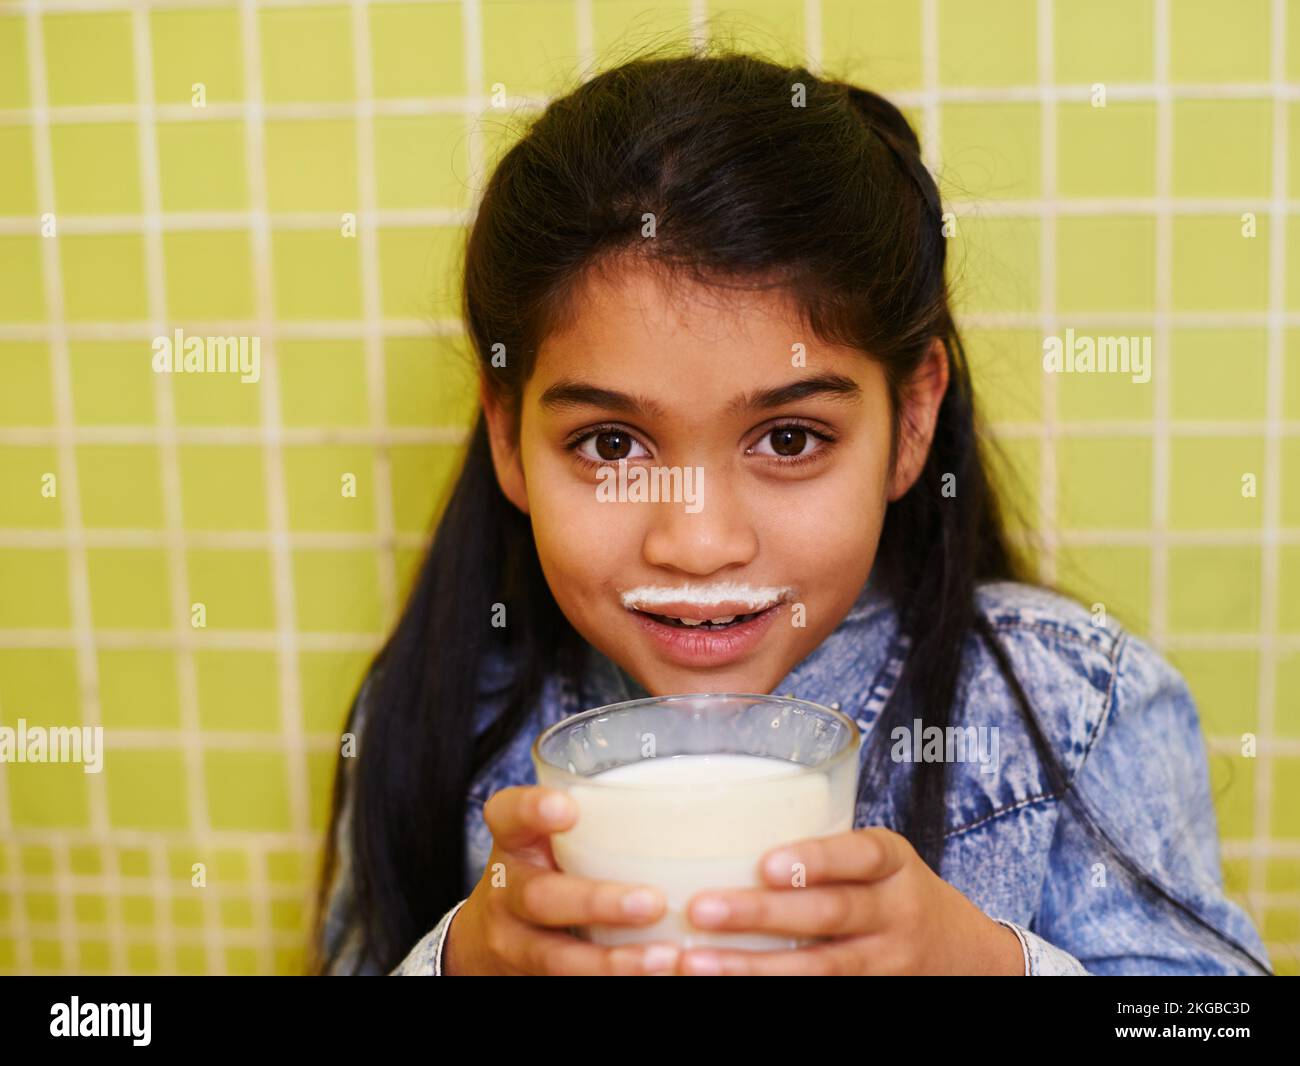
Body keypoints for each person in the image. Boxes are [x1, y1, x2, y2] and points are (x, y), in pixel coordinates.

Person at [309, 47, 1272, 977]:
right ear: (508, 430)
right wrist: (464, 963)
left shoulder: (1070, 709)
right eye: (611, 445)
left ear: (911, 421)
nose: (697, 542)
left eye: (789, 439)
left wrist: (982, 966)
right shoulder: (441, 707)